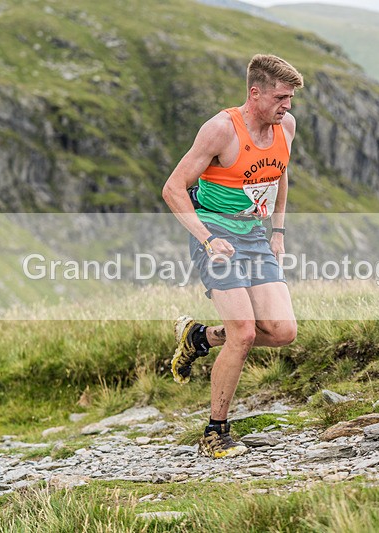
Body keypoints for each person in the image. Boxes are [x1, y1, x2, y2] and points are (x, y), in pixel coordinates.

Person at [162, 54, 303, 459]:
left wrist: (277, 231)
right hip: (215, 233)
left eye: (290, 98)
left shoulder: (285, 127)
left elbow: (280, 173)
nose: (287, 106)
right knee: (242, 332)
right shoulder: (222, 130)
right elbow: (173, 188)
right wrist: (206, 239)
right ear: (254, 92)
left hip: (255, 236)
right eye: (280, 97)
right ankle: (215, 431)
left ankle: (199, 337)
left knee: (281, 331)